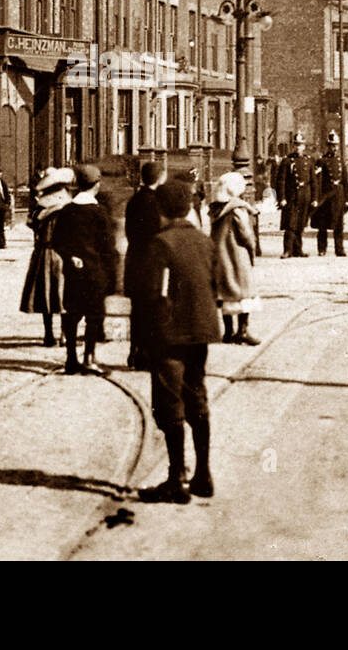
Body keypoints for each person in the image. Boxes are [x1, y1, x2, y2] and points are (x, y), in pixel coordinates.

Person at [133, 179, 221, 504]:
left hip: (169, 336)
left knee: (170, 405)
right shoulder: (203, 241)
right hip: (200, 333)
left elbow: (152, 296)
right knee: (197, 398)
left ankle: (176, 479)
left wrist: (143, 341)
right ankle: (203, 474)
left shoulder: (160, 244)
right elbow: (217, 285)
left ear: (162, 209)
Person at [50, 163, 118, 374]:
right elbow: (108, 246)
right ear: (96, 185)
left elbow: (57, 241)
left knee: (72, 313)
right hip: (95, 272)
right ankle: (89, 357)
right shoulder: (99, 213)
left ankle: (71, 359)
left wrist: (70, 257)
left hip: (73, 273)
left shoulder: (67, 211)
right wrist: (111, 274)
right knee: (94, 315)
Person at [20, 168, 73, 347]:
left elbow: (32, 224)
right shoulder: (67, 205)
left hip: (43, 252)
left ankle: (48, 334)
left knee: (45, 294)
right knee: (65, 294)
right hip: (62, 252)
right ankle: (65, 335)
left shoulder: (40, 206)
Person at [209, 171, 260, 344]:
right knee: (244, 294)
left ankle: (228, 332)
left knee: (226, 295)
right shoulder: (237, 209)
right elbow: (246, 235)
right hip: (237, 256)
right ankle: (243, 331)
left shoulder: (215, 209)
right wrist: (252, 249)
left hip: (221, 258)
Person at [125, 161, 167, 368]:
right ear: (160, 178)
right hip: (152, 264)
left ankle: (134, 351)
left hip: (134, 261)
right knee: (153, 310)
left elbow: (129, 231)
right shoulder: (158, 203)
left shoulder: (134, 200)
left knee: (137, 309)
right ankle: (148, 353)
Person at [274, 130, 314, 258]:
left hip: (304, 196)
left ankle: (298, 249)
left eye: (300, 144)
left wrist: (314, 198)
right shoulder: (287, 161)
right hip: (291, 197)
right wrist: (282, 198)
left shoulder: (308, 161)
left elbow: (313, 181)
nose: (298, 147)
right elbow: (281, 181)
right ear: (293, 146)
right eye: (296, 144)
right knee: (290, 224)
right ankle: (287, 250)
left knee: (301, 224)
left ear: (304, 146)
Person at [311, 130, 348, 256]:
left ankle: (339, 249)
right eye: (332, 145)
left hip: (338, 196)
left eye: (336, 145)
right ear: (328, 146)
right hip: (326, 196)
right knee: (323, 225)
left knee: (339, 225)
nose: (334, 148)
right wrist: (317, 198)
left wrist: (347, 200)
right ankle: (322, 249)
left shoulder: (340, 161)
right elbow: (317, 181)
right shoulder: (322, 161)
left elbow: (345, 182)